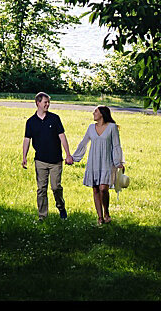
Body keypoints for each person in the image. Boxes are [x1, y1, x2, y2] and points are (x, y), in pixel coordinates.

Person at [68, 105, 125, 225]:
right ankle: (100, 217)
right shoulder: (90, 128)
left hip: (107, 162)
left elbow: (116, 146)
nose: (93, 113)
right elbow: (83, 144)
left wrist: (118, 162)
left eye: (96, 111)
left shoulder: (112, 127)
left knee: (103, 188)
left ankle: (106, 212)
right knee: (95, 189)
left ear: (102, 114)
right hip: (93, 162)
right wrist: (74, 158)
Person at [21, 92, 72, 221]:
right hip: (40, 160)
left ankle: (61, 207)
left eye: (48, 102)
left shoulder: (54, 119)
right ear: (38, 103)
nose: (47, 104)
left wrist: (68, 154)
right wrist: (24, 157)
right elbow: (27, 140)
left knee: (56, 187)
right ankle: (42, 216)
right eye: (45, 102)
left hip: (55, 160)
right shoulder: (31, 122)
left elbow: (62, 137)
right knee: (41, 189)